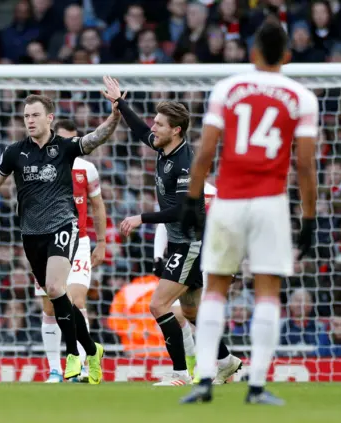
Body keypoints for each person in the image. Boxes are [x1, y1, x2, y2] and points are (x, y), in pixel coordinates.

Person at [180, 20, 318, 405]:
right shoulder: (301, 97)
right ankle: (256, 386)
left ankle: (205, 380)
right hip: (270, 202)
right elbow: (305, 165)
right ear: (287, 56)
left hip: (228, 201)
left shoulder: (229, 89)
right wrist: (309, 218)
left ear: (253, 53)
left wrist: (193, 200)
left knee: (216, 288)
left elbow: (205, 152)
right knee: (268, 292)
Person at [102, 77, 239, 386]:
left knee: (158, 305)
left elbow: (181, 209)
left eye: (160, 124)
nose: (154, 128)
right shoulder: (164, 148)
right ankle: (227, 361)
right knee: (191, 313)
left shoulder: (187, 163)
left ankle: (179, 373)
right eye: (155, 122)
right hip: (181, 242)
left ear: (176, 130)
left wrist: (141, 218)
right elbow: (138, 130)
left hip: (190, 243)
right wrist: (120, 102)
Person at [0, 92, 120, 384]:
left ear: (49, 118)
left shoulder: (65, 148)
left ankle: (72, 356)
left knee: (55, 287)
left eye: (35, 115)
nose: (29, 121)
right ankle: (93, 350)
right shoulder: (14, 151)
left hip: (63, 225)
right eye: (26, 116)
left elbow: (97, 137)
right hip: (31, 234)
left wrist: (115, 115)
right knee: (56, 296)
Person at [36, 119, 108, 383]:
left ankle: (85, 363)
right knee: (50, 306)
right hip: (45, 241)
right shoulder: (41, 165)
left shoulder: (86, 169)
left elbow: (98, 206)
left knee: (76, 300)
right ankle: (55, 369)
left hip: (79, 241)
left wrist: (101, 242)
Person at [153, 182, 242, 385]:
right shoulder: (176, 192)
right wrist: (158, 256)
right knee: (190, 313)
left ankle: (203, 369)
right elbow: (164, 224)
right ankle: (225, 361)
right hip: (185, 257)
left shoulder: (215, 195)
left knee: (185, 309)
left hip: (211, 261)